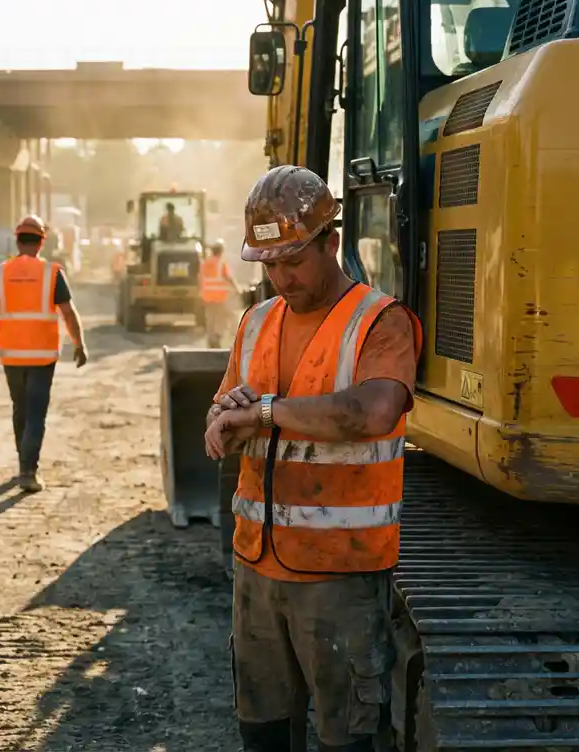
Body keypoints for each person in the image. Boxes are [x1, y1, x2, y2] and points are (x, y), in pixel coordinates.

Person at [203, 166, 423, 752]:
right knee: (263, 732)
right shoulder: (256, 322)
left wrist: (266, 412)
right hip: (256, 567)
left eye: (293, 261)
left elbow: (371, 413)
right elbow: (224, 410)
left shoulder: (381, 321)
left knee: (344, 737)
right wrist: (223, 422)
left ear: (332, 243)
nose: (281, 278)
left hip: (338, 575)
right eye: (269, 265)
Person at [0, 215, 89, 493]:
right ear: (41, 243)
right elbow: (69, 314)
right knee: (36, 413)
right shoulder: (52, 273)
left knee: (20, 409)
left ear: (17, 240)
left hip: (12, 356)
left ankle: (23, 465)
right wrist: (79, 344)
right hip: (42, 356)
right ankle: (29, 470)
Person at [199, 238, 240, 348]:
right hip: (219, 297)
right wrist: (237, 288)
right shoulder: (221, 264)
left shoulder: (205, 263)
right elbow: (228, 277)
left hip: (207, 297)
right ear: (221, 251)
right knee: (223, 317)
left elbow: (201, 279)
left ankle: (211, 340)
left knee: (211, 319)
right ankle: (217, 337)